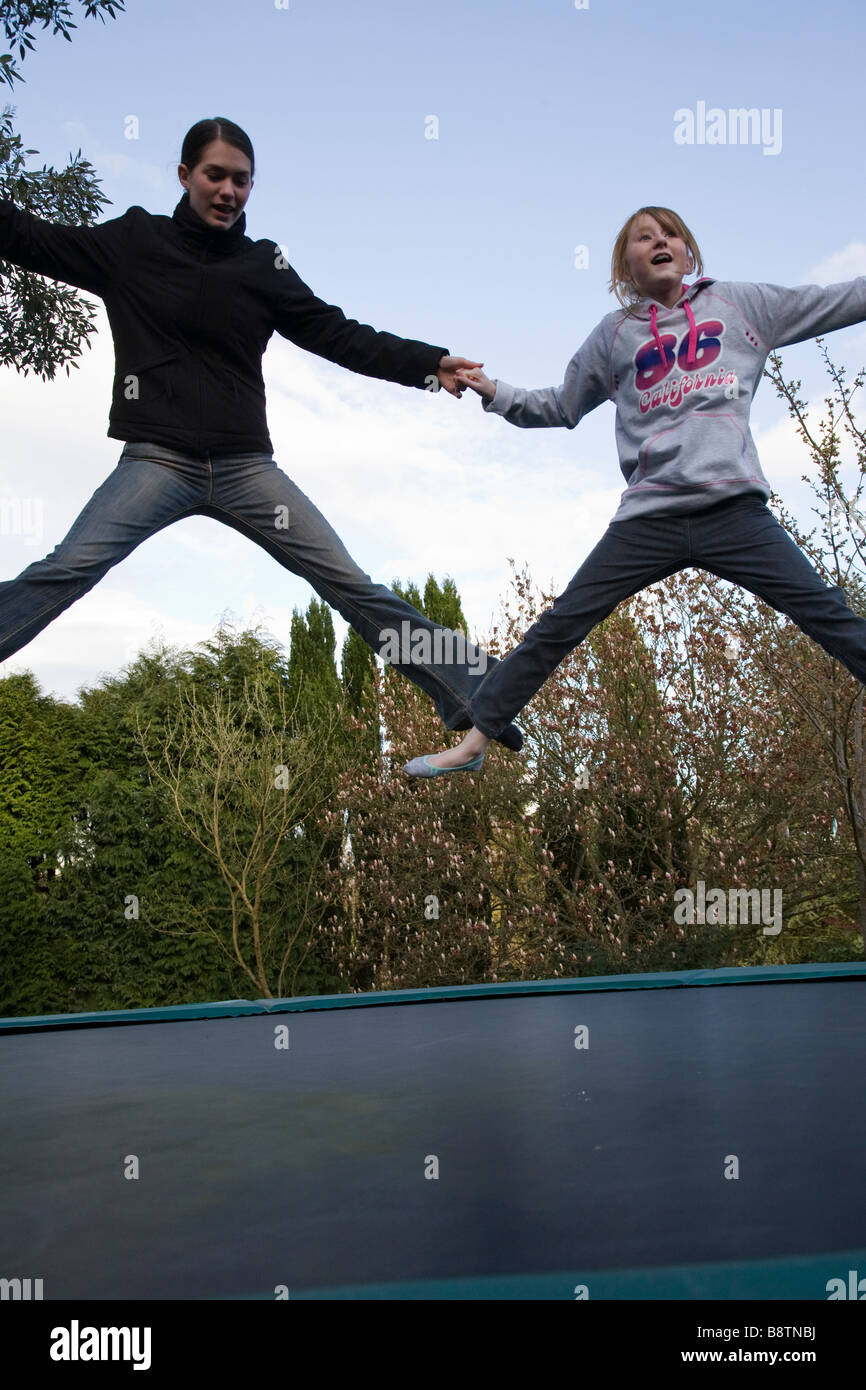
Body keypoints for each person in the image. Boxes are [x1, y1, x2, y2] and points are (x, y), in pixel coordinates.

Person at [0, 115, 522, 750]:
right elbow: (30, 237)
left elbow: (337, 332)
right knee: (70, 567)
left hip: (247, 467)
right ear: (186, 175)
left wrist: (425, 362)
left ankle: (477, 687)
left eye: (242, 181)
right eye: (215, 176)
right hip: (157, 461)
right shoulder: (134, 242)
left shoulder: (261, 264)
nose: (229, 191)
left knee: (348, 583)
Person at [404, 204, 866, 776]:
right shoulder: (615, 335)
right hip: (649, 519)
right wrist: (495, 390)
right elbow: (560, 405)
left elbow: (839, 300)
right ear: (625, 268)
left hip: (735, 511)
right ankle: (474, 744)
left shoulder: (743, 305)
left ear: (689, 252)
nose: (660, 242)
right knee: (561, 623)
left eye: (670, 234)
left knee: (829, 613)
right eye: (643, 239)